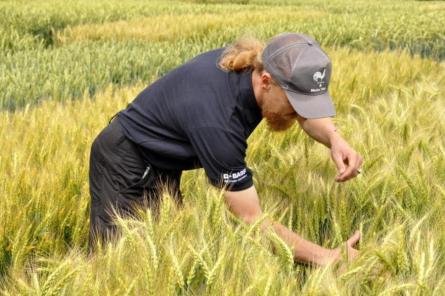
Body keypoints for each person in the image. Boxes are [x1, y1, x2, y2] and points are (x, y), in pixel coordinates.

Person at [88, 32, 363, 266]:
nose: (301, 114)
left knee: (163, 251)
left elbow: (304, 113)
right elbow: (251, 219)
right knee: (118, 261)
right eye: (296, 103)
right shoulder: (219, 123)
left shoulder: (251, 67)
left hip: (160, 160)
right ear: (266, 81)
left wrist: (334, 138)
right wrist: (330, 259)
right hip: (126, 160)